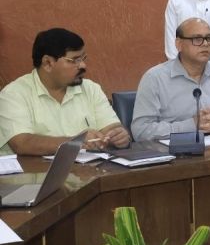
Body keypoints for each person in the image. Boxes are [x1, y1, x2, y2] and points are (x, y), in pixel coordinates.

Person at [0, 28, 130, 155]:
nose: (83, 65)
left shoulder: (91, 89)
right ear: (48, 63)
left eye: (83, 59)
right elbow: (22, 143)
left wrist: (119, 136)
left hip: (89, 168)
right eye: (75, 60)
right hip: (34, 169)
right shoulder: (14, 94)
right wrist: (75, 142)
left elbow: (111, 127)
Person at [132, 18, 210, 141]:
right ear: (179, 44)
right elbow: (141, 130)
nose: (205, 44)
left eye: (209, 38)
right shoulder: (154, 78)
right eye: (197, 39)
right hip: (174, 151)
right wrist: (191, 126)